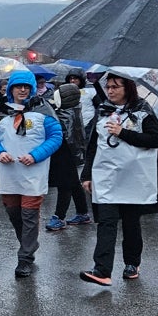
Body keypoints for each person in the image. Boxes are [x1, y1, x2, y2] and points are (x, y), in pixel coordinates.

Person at [78, 73, 158, 286]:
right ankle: (102, 270)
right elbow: (93, 146)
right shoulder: (102, 111)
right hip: (107, 176)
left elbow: (156, 140)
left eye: (115, 87)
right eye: (108, 87)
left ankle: (132, 263)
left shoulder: (143, 111)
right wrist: (87, 175)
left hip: (132, 178)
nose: (110, 91)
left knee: (130, 223)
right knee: (106, 222)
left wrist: (123, 133)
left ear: (127, 88)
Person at [0, 70, 63, 278]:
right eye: (18, 86)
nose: (22, 90)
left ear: (32, 88)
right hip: (9, 173)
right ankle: (29, 243)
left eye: (26, 86)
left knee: (29, 215)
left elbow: (56, 137)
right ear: (11, 89)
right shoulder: (2, 113)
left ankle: (25, 258)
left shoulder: (43, 111)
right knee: (13, 213)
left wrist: (36, 155)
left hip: (33, 173)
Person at [45, 83, 92, 230]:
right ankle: (83, 212)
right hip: (73, 152)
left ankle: (59, 217)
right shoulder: (74, 109)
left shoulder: (64, 114)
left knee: (65, 185)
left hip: (65, 153)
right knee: (73, 183)